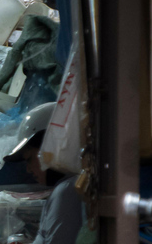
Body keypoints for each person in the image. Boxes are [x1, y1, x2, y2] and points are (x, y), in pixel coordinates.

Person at [5, 103, 95, 244]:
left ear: (50, 147)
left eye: (29, 159)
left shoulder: (67, 191)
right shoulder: (67, 186)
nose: (28, 169)